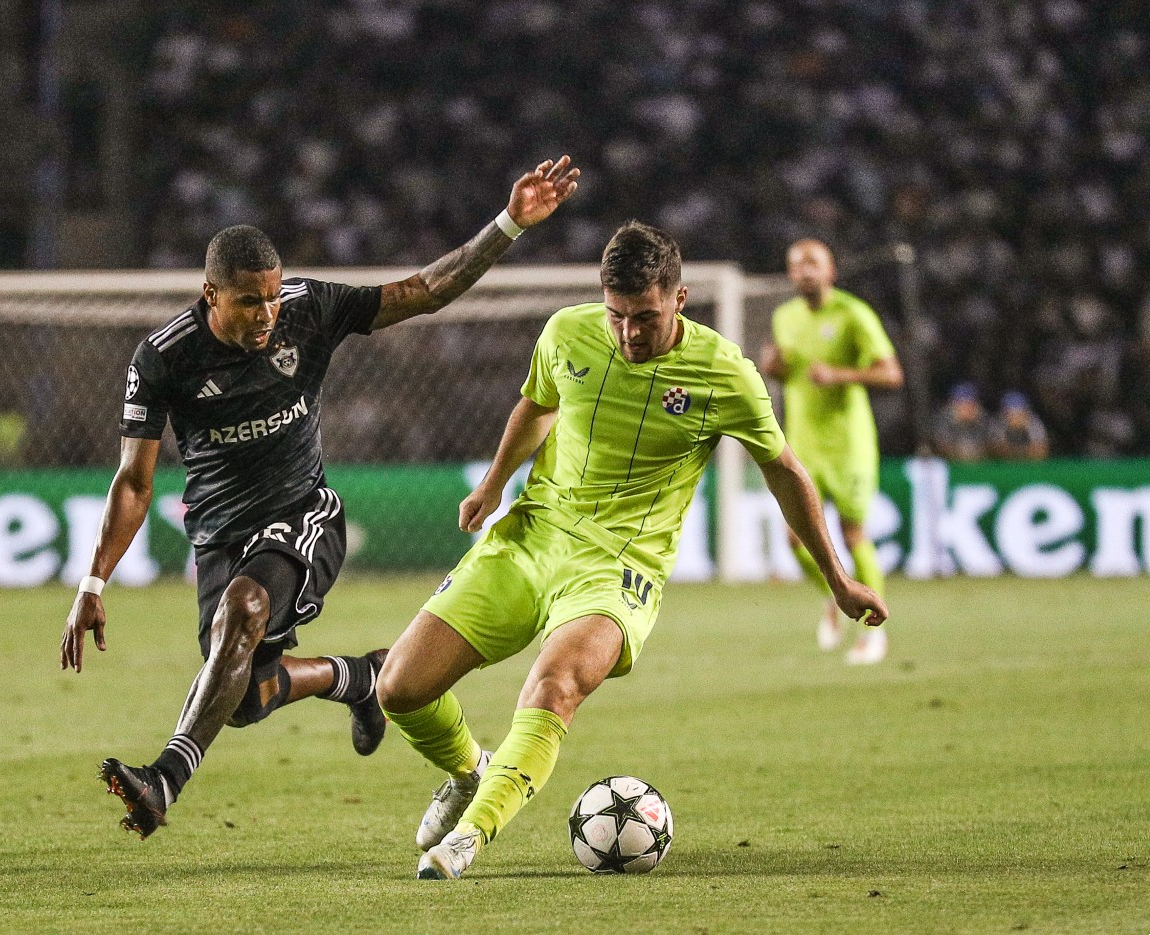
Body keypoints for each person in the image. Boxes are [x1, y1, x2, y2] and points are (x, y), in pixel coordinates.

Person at [59, 156, 581, 839]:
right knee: (244, 695)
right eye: (250, 300)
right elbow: (134, 480)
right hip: (221, 534)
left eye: (273, 296)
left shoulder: (309, 309)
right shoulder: (163, 357)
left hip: (303, 513)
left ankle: (165, 778)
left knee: (245, 610)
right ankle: (359, 678)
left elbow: (426, 289)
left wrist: (509, 222)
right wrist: (94, 578)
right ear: (210, 293)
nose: (268, 313)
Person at [374, 221, 888, 880]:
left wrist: (838, 580)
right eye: (617, 316)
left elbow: (784, 470)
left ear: (680, 298)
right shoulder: (567, 331)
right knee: (400, 687)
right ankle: (471, 770)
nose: (629, 333)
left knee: (555, 684)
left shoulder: (724, 372)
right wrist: (493, 484)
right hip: (533, 535)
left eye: (645, 316)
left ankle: (470, 837)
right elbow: (537, 403)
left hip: (619, 567)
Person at [760, 239, 904, 665]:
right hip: (802, 442)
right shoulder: (784, 317)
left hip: (848, 444)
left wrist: (840, 374)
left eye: (813, 263)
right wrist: (775, 369)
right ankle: (836, 595)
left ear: (831, 270)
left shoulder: (853, 314)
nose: (804, 271)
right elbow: (789, 371)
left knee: (852, 533)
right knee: (794, 539)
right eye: (796, 265)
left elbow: (891, 373)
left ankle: (876, 634)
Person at [931, 382, 991, 462]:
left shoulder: (984, 422)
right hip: (953, 467)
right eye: (961, 403)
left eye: (969, 403)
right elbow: (940, 447)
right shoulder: (942, 422)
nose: (966, 408)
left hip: (981, 467)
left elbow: (994, 446)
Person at [989, 390, 1049, 460]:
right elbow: (997, 451)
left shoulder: (1034, 422)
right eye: (1010, 413)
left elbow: (1041, 451)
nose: (1015, 417)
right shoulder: (998, 423)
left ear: (1026, 411)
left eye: (1018, 412)